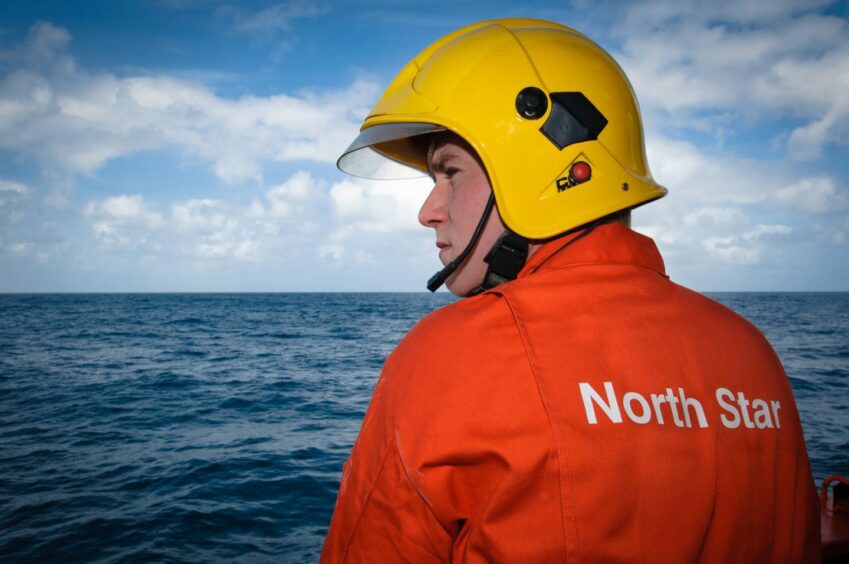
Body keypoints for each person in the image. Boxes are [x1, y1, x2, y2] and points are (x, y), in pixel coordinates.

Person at [321, 18, 820, 562]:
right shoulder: (752, 352)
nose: (428, 212)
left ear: (535, 170)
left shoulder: (452, 355)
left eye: (450, 173)